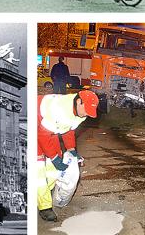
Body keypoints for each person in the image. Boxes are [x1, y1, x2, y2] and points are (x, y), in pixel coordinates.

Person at [37, 90, 99, 222]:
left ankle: (43, 195)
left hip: (49, 130)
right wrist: (53, 158)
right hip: (37, 125)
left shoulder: (79, 110)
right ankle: (44, 207)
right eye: (86, 110)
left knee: (54, 170)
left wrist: (71, 150)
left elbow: (69, 129)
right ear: (78, 102)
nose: (87, 114)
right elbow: (42, 135)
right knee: (39, 172)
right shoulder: (59, 110)